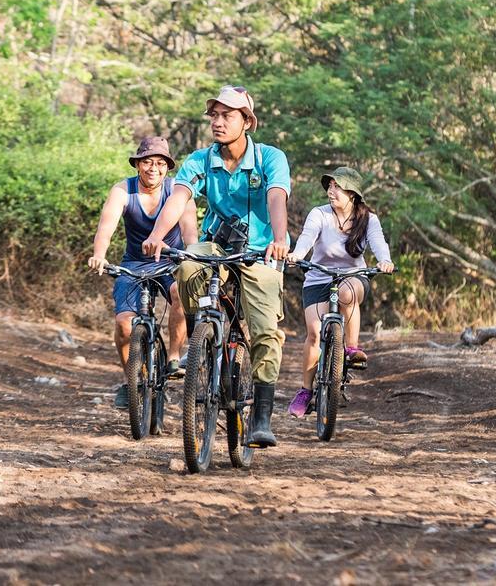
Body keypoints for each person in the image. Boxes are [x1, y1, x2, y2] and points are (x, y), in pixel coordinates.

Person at [141, 86, 291, 448]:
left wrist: (281, 238)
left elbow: (276, 196)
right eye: (215, 116)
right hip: (218, 246)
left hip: (259, 251)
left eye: (228, 116)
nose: (218, 122)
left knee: (265, 331)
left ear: (247, 122)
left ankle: (260, 418)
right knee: (189, 264)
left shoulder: (271, 157)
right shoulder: (200, 159)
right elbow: (179, 198)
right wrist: (159, 234)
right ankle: (204, 338)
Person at [89, 136, 198, 409]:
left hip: (170, 262)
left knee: (179, 292)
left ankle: (173, 357)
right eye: (147, 161)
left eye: (161, 163)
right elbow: (107, 226)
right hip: (134, 264)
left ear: (168, 167)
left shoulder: (178, 191)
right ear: (137, 164)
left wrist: (192, 257)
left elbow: (190, 234)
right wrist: (99, 255)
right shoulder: (123, 190)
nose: (154, 168)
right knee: (124, 325)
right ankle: (132, 381)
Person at [286, 166, 394, 419]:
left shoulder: (368, 219)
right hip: (318, 277)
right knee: (314, 333)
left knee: (348, 292)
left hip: (351, 277)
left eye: (338, 187)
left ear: (352, 194)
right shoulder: (319, 214)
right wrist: (297, 255)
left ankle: (352, 348)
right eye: (330, 186)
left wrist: (384, 260)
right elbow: (306, 238)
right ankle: (305, 390)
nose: (331, 191)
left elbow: (379, 243)